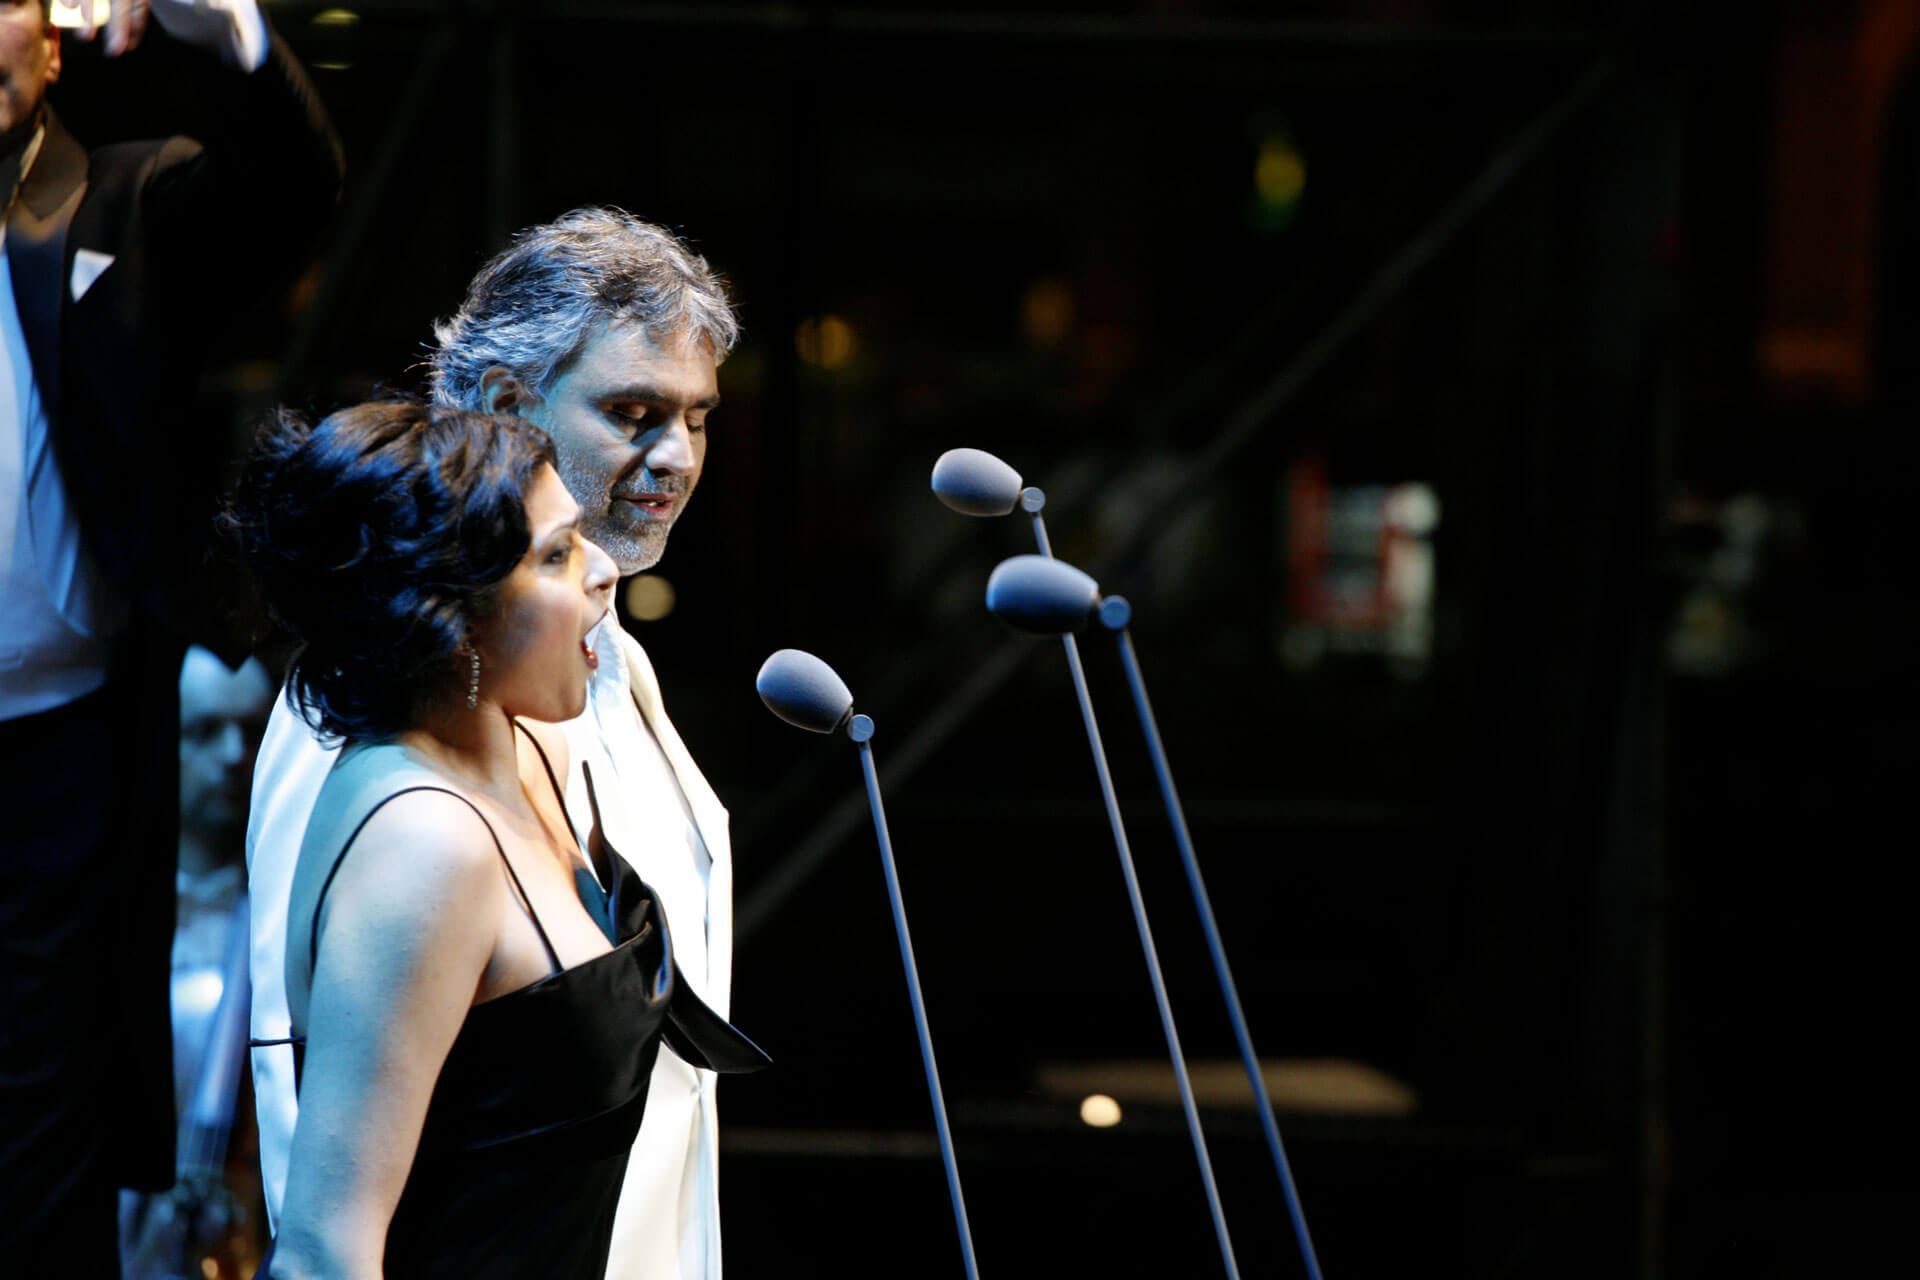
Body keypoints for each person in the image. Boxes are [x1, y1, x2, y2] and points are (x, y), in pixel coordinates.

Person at [248, 208, 744, 1280]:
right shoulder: (371, 722)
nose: (675, 456)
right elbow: (319, 1094)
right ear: (513, 406)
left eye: (698, 418)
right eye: (634, 411)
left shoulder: (610, 663)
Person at [0, 2, 340, 1272]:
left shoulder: (125, 206)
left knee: (49, 1104)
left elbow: (292, 189)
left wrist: (235, 36)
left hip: (62, 731)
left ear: (53, 41)